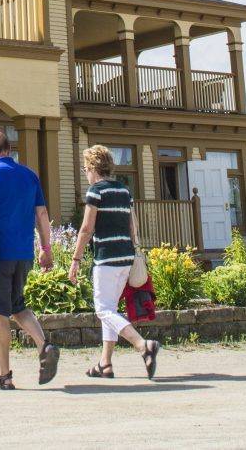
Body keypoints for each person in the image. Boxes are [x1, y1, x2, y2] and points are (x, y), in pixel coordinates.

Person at [0, 128, 59, 389]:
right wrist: (46, 248)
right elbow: (42, 214)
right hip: (24, 253)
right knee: (17, 305)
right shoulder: (29, 175)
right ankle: (45, 345)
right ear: (9, 149)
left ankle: (4, 376)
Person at [68, 145, 160, 379]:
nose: (85, 173)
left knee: (104, 310)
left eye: (86, 169)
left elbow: (86, 229)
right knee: (110, 307)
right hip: (126, 256)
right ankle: (105, 364)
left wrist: (75, 259)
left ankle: (143, 346)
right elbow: (133, 226)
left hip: (106, 256)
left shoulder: (96, 192)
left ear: (92, 168)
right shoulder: (124, 192)